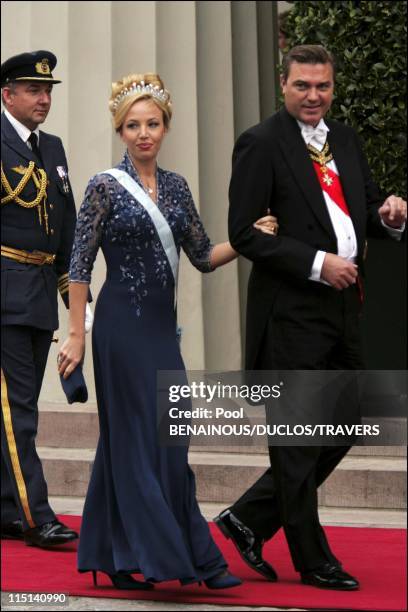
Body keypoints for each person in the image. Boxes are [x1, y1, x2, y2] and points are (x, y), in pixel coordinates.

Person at [58, 72, 277, 590]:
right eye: (132, 125)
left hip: (160, 331)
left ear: (165, 126)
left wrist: (247, 240)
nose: (143, 134)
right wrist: (76, 334)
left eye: (151, 124)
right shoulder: (103, 187)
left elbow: (202, 256)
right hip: (119, 330)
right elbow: (79, 267)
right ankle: (178, 559)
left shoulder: (176, 186)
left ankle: (113, 557)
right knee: (135, 441)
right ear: (120, 131)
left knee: (167, 439)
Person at [215, 45, 406, 590]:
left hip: (344, 308)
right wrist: (319, 263)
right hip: (291, 313)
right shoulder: (260, 143)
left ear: (333, 85)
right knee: (298, 438)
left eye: (322, 86)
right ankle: (313, 559)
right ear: (284, 84)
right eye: (303, 86)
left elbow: (364, 209)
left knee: (345, 423)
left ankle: (249, 519)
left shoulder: (342, 137)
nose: (313, 96)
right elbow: (246, 232)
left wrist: (388, 216)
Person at [0, 50, 86, 547]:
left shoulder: (51, 147)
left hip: (37, 298)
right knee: (18, 412)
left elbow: (67, 231)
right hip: (5, 296)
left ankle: (8, 509)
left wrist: (79, 302)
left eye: (48, 90)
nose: (44, 99)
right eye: (34, 90)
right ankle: (36, 514)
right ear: (7, 94)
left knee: (20, 405)